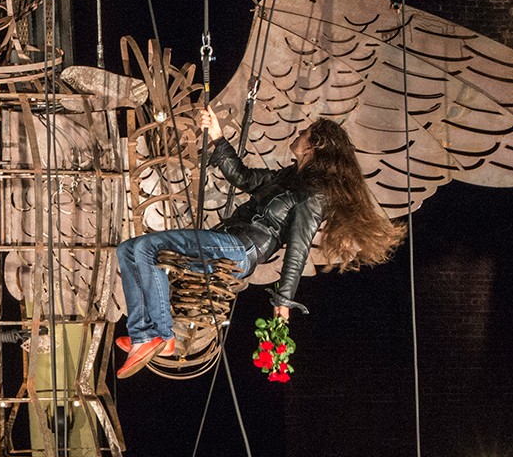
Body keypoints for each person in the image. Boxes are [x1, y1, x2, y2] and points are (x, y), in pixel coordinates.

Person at [115, 108, 404, 377]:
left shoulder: (315, 194)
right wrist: (217, 136)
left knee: (146, 248)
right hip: (227, 239)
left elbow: (299, 246)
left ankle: (158, 335)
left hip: (241, 249)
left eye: (305, 131)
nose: (299, 132)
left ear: (313, 145)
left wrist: (283, 301)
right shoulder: (292, 176)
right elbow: (244, 177)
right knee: (128, 249)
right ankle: (150, 335)